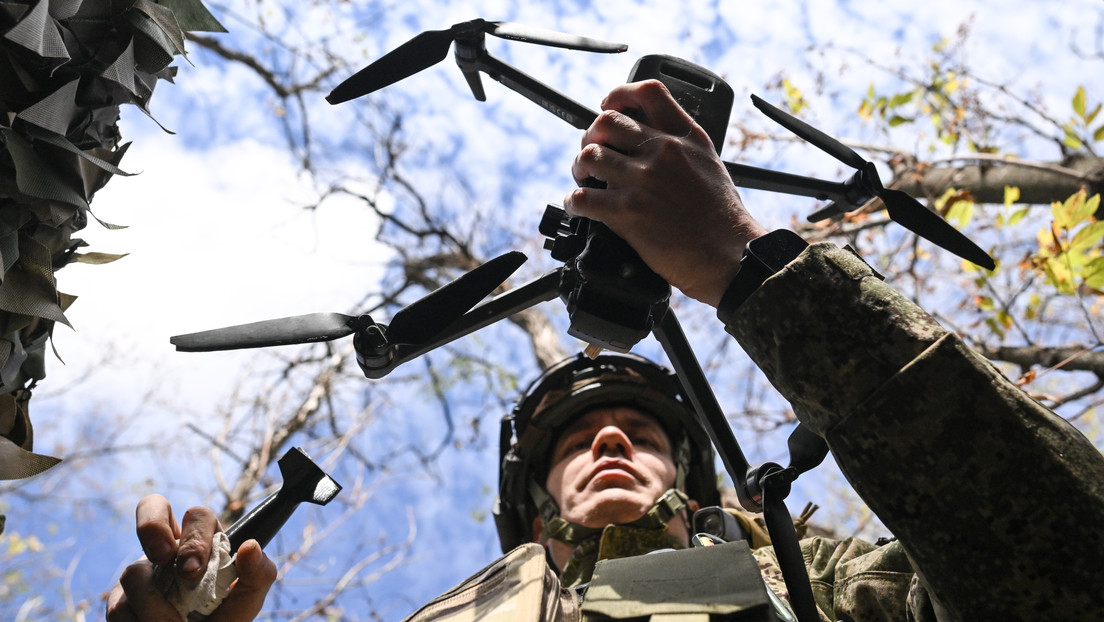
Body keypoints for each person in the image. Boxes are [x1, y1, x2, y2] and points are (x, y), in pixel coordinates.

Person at [107, 79, 1104, 621]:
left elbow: (1072, 565)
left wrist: (752, 270)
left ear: (708, 482)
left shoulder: (844, 590)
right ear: (528, 506)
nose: (613, 440)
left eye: (639, 428)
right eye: (577, 439)